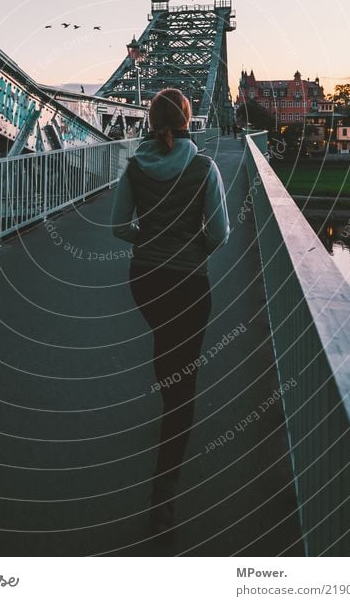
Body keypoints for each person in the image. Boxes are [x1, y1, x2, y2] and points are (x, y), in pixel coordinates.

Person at [111, 89, 230, 536]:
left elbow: (120, 226)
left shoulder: (135, 166)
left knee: (167, 355)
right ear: (188, 120)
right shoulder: (204, 168)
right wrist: (191, 248)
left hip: (145, 281)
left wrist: (148, 242)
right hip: (189, 282)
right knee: (184, 387)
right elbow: (218, 233)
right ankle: (163, 496)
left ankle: (168, 396)